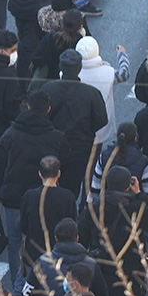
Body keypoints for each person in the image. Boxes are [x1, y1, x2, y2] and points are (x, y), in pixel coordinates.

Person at [0, 91, 70, 295]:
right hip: (44, 199)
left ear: (28, 107)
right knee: (42, 241)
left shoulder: (9, 135)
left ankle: (19, 285)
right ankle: (42, 283)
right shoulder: (58, 138)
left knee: (15, 241)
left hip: (13, 199)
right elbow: (68, 166)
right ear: (48, 110)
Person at [78, 166, 148, 296]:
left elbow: (82, 237)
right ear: (128, 186)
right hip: (132, 270)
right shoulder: (137, 208)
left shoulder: (94, 207)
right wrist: (139, 194)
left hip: (103, 269)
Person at [41, 49, 108, 198]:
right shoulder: (91, 93)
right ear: (79, 68)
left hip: (53, 147)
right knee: (74, 188)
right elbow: (101, 120)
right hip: (81, 149)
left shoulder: (47, 89)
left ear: (61, 67)